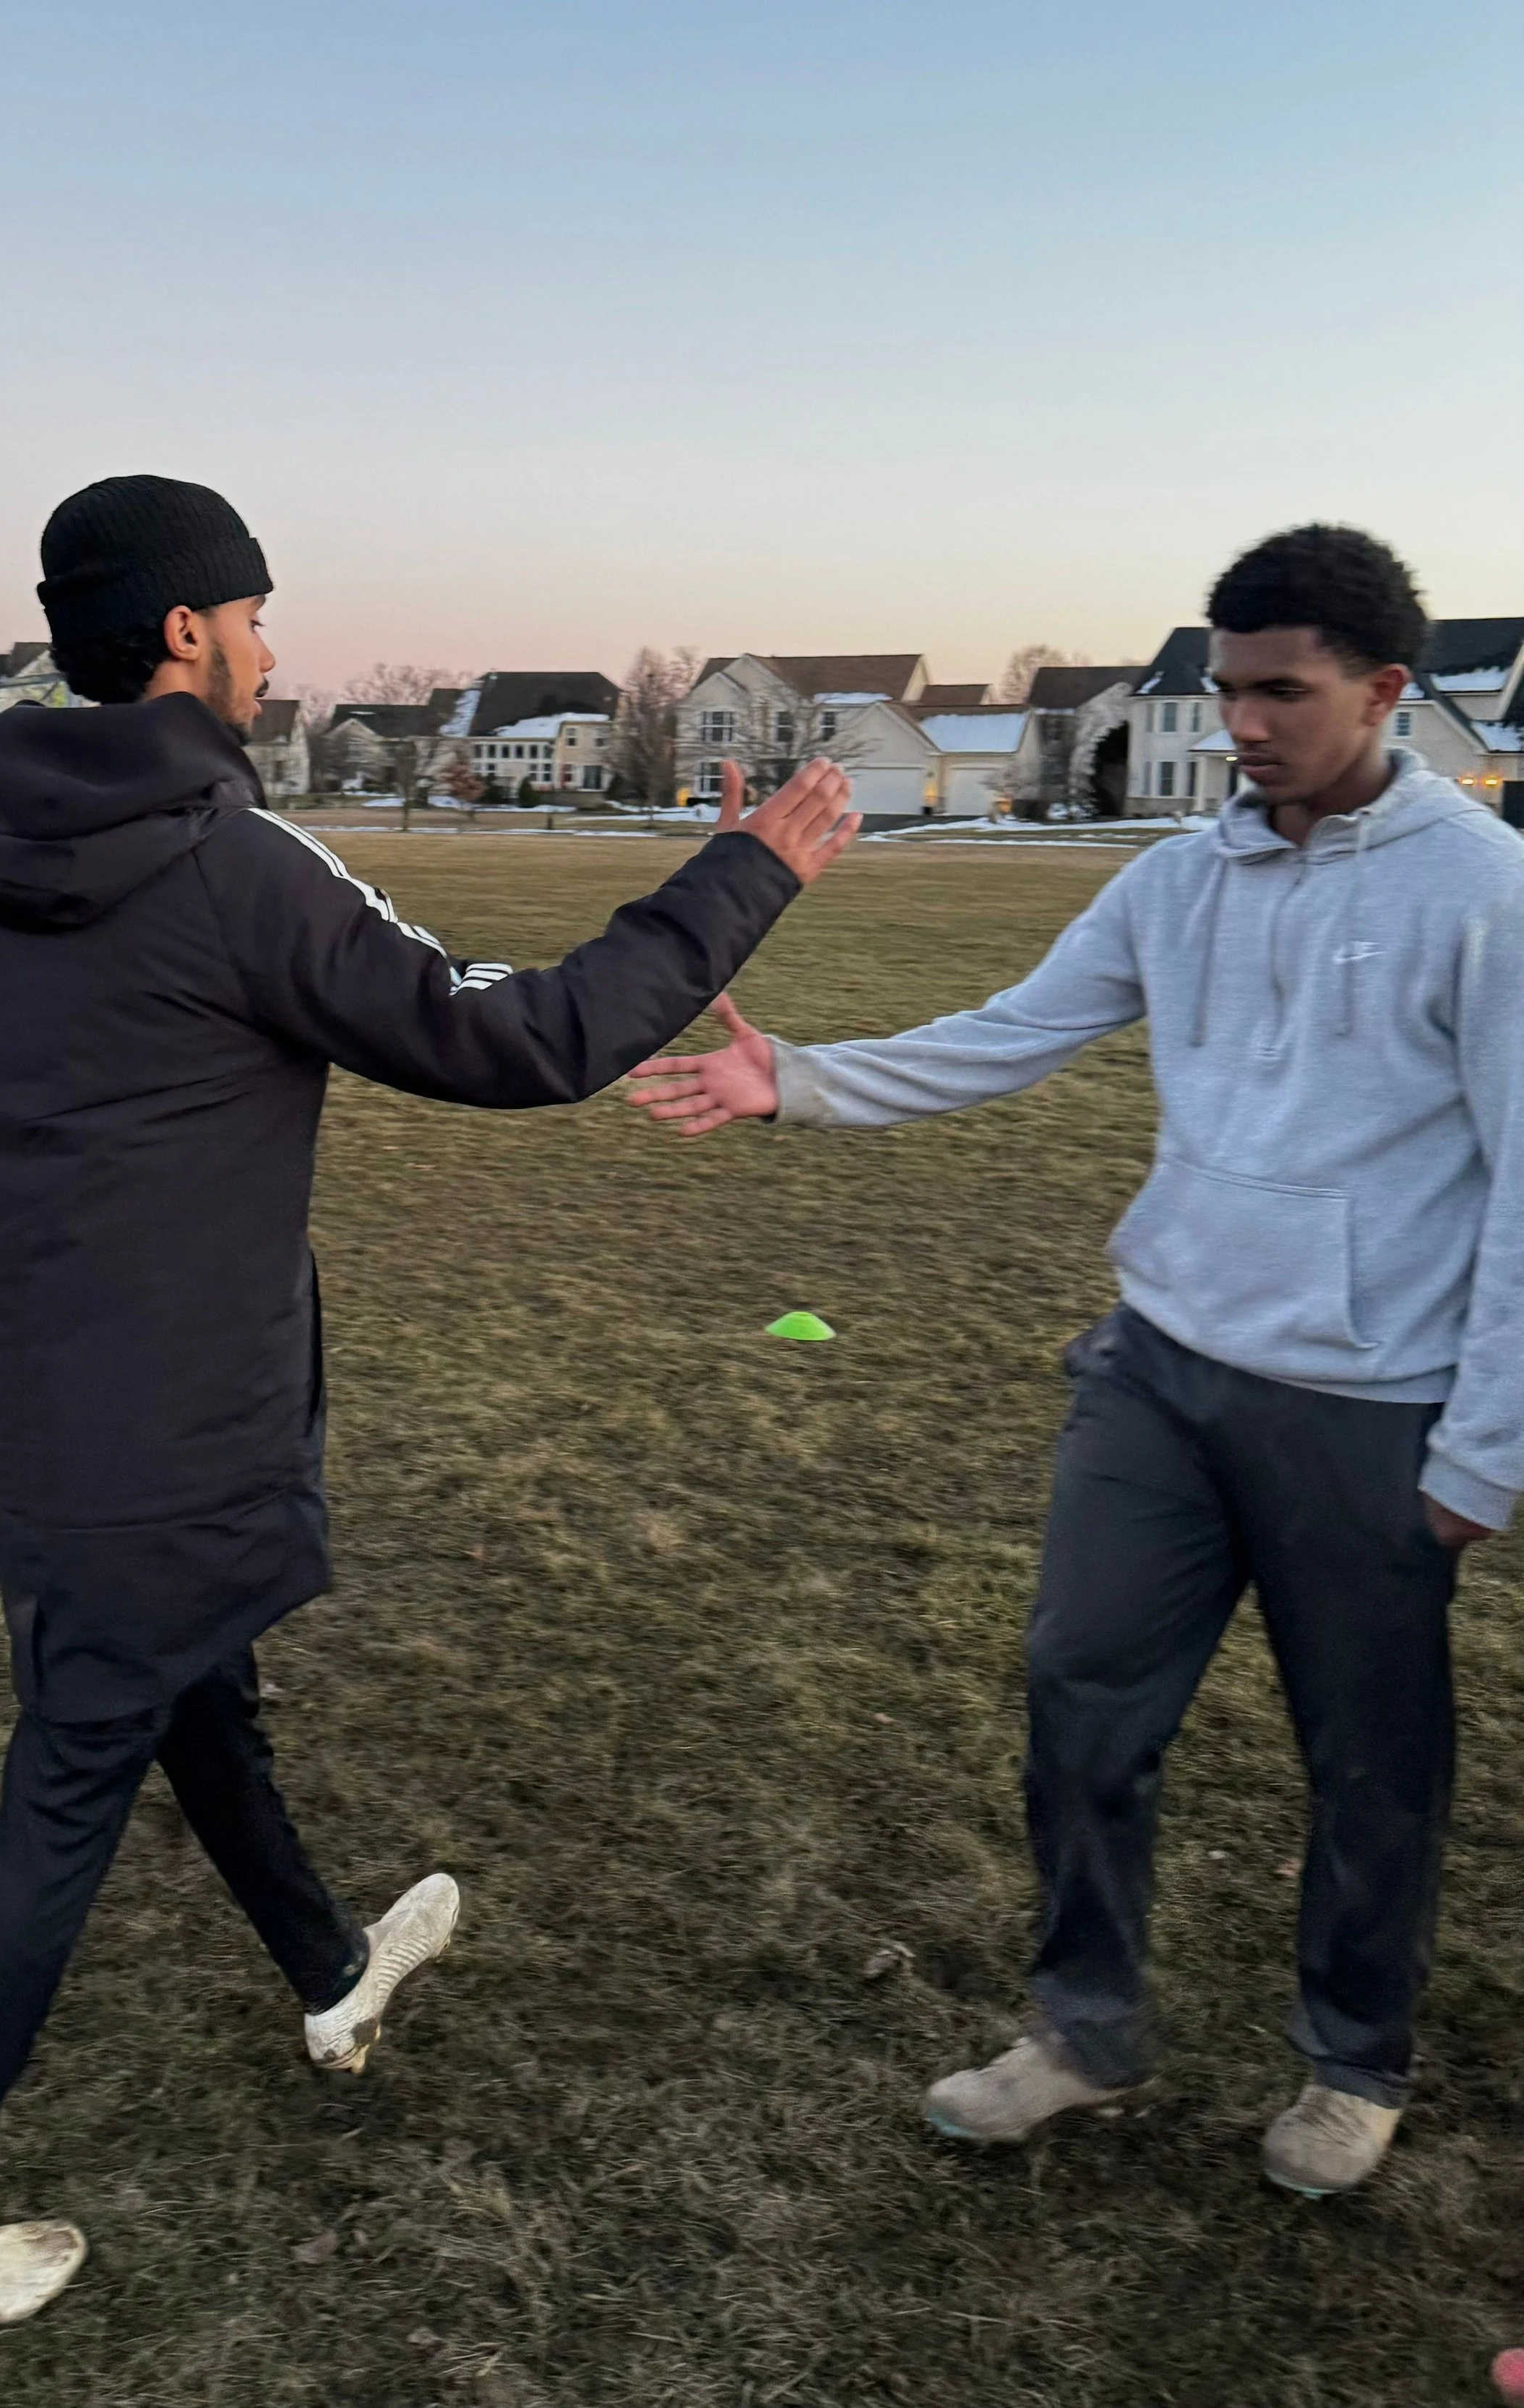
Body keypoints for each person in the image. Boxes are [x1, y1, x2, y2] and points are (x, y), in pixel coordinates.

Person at [0, 473, 858, 2370]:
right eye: (254, 618)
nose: (270, 651)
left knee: (190, 1697)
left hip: (61, 1444)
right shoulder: (232, 859)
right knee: (70, 1790)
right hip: (177, 1443)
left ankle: (331, 1970)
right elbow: (513, 1037)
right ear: (184, 631)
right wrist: (744, 875)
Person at [629, 524, 1524, 2201]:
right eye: (1229, 687)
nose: (1241, 724)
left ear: (1383, 691)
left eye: (1281, 692)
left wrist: (1485, 1446)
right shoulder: (1178, 880)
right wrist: (797, 1082)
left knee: (1367, 1759)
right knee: (1080, 1703)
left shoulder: (1483, 896)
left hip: (1368, 1406)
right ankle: (1084, 2029)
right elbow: (1014, 1030)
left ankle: (1352, 2060)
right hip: (1155, 1375)